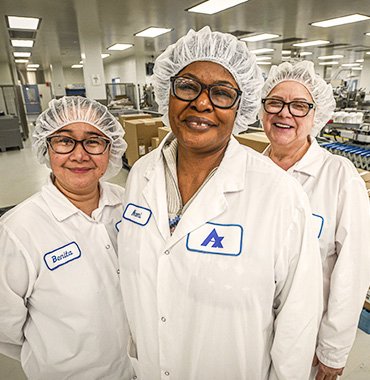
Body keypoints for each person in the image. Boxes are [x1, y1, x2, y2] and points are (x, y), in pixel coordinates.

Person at [117, 26, 323, 380]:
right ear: (168, 91)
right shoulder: (141, 175)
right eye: (187, 86)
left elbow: (297, 320)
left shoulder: (279, 194)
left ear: (241, 107)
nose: (201, 102)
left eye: (222, 93)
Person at [0, 96, 135, 380]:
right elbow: (6, 326)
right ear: (46, 148)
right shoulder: (19, 229)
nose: (79, 155)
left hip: (139, 369)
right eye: (64, 141)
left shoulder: (131, 205)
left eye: (94, 141)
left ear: (110, 148)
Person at [260, 60, 370, 380]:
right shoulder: (245, 172)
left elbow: (352, 271)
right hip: (246, 331)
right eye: (276, 102)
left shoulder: (339, 177)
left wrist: (331, 350)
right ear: (262, 109)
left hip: (305, 342)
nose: (284, 113)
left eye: (299, 106)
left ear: (316, 116)